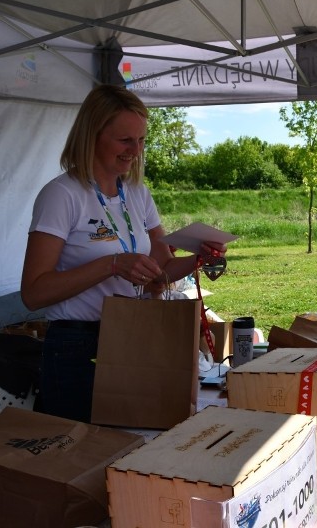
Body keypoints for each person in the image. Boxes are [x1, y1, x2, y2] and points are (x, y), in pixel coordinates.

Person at [21, 84, 227, 424]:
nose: (136, 150)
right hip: (78, 345)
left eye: (142, 140)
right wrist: (112, 265)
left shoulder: (136, 192)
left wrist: (199, 259)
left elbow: (160, 269)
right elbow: (33, 292)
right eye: (125, 140)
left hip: (133, 335)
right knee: (84, 457)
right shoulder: (61, 195)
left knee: (135, 444)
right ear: (92, 135)